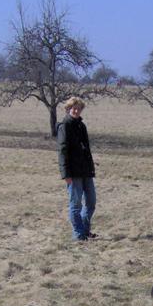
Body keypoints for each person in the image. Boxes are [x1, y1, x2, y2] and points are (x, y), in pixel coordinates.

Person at [56, 96, 97, 241]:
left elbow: (86, 150)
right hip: (73, 173)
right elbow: (62, 151)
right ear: (68, 109)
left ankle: (84, 230)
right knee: (76, 204)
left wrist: (91, 168)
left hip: (86, 171)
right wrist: (65, 173)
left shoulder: (82, 126)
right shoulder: (64, 126)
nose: (76, 110)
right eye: (73, 108)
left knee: (91, 202)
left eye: (78, 108)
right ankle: (78, 234)